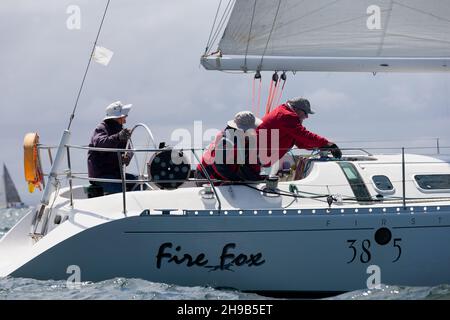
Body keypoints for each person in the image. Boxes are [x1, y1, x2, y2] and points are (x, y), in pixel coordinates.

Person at [256, 97, 341, 168]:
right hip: (255, 158)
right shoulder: (287, 115)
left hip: (257, 158)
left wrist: (321, 145)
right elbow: (304, 135)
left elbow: (301, 142)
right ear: (296, 109)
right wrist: (328, 144)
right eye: (305, 113)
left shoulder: (284, 113)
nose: (307, 117)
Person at [196, 111, 263, 184]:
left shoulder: (245, 139)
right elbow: (219, 165)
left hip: (224, 174)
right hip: (206, 176)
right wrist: (235, 180)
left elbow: (250, 163)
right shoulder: (226, 141)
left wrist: (257, 178)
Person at [87, 100, 137, 194]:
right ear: (117, 118)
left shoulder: (120, 130)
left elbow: (129, 148)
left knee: (139, 182)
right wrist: (118, 137)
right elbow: (100, 144)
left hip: (116, 174)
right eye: (123, 117)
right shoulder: (101, 128)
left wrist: (127, 157)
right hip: (101, 176)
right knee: (121, 191)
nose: (125, 120)